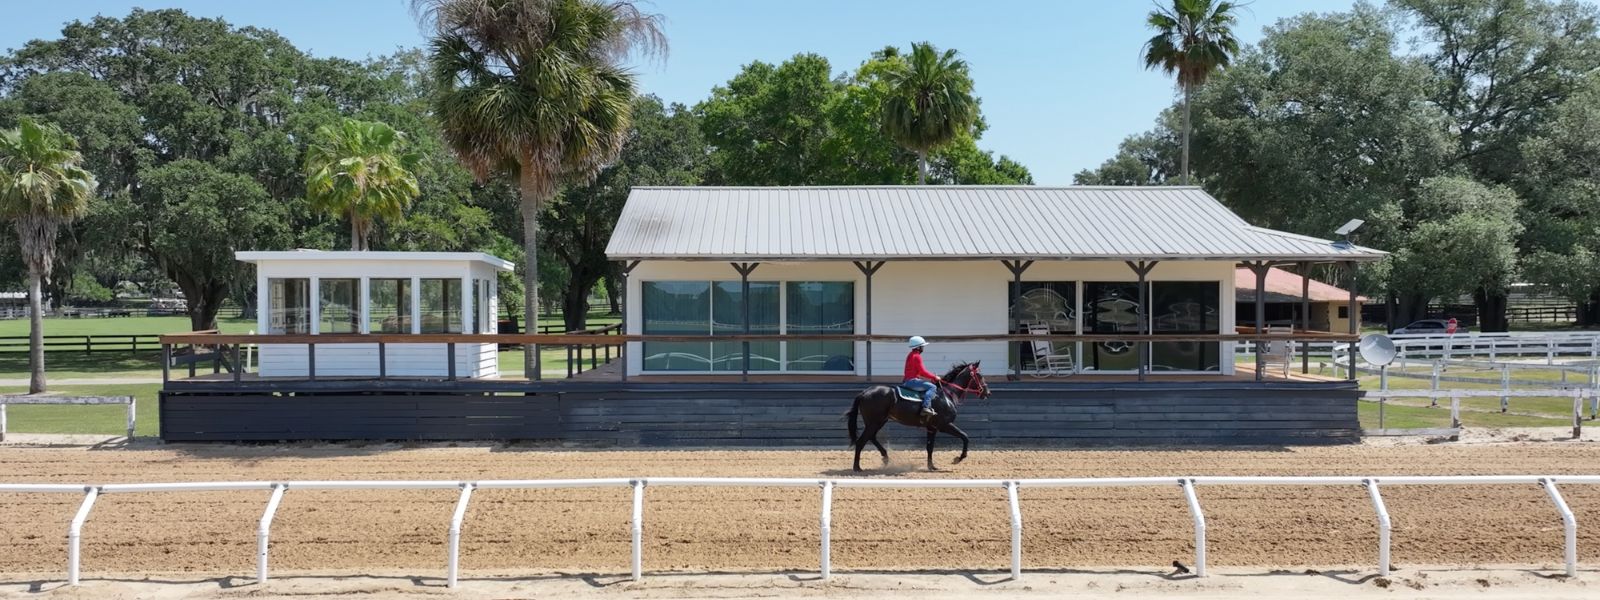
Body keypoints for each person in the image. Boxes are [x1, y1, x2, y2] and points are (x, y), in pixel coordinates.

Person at [902, 336, 943, 417]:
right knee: (933, 387)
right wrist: (935, 377)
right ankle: (926, 407)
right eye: (922, 346)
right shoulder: (917, 356)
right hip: (912, 381)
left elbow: (917, 372)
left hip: (907, 381)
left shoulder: (910, 355)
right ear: (918, 347)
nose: (923, 348)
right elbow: (923, 372)